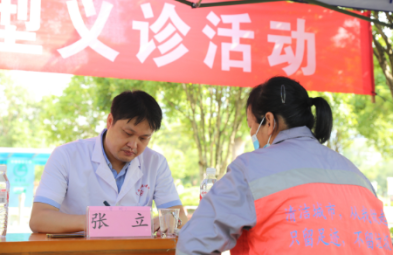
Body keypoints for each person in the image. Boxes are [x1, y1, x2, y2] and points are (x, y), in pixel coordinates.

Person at [176, 77, 392, 254]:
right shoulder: (356, 174)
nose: (252, 135)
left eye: (252, 126)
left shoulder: (249, 169)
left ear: (269, 122)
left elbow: (192, 244)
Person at [30, 90, 187, 233]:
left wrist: (166, 221)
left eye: (143, 138)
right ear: (110, 121)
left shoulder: (155, 162)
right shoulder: (66, 155)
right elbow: (39, 219)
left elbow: (179, 217)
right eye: (127, 133)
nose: (133, 145)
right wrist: (99, 221)